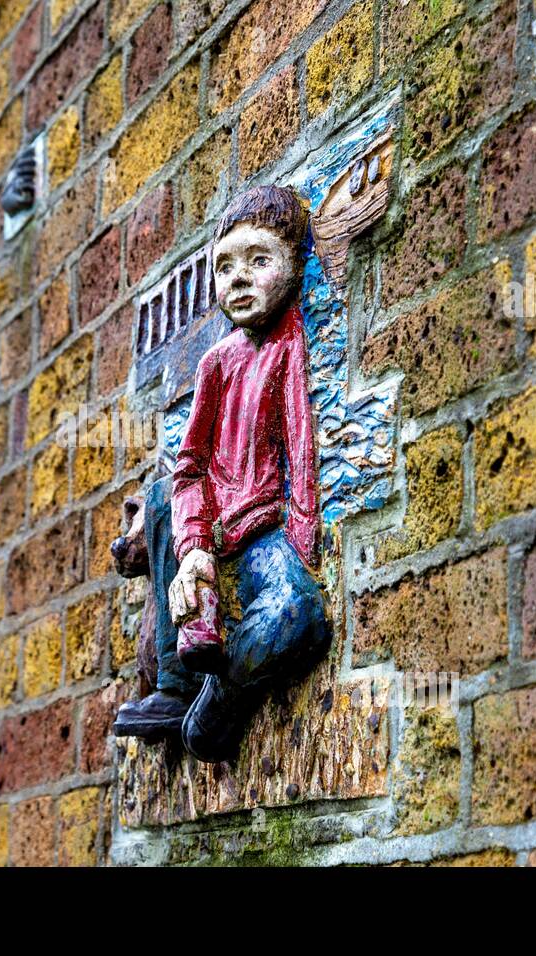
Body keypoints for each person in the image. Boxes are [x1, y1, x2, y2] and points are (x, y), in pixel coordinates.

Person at [113, 185, 330, 763]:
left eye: (259, 261)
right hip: (208, 534)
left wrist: (301, 542)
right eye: (224, 267)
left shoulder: (288, 346)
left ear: (293, 265)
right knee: (161, 496)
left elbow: (302, 454)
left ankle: (223, 689)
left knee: (297, 610)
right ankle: (173, 684)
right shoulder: (216, 363)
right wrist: (192, 550)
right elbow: (189, 469)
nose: (238, 279)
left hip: (261, 535)